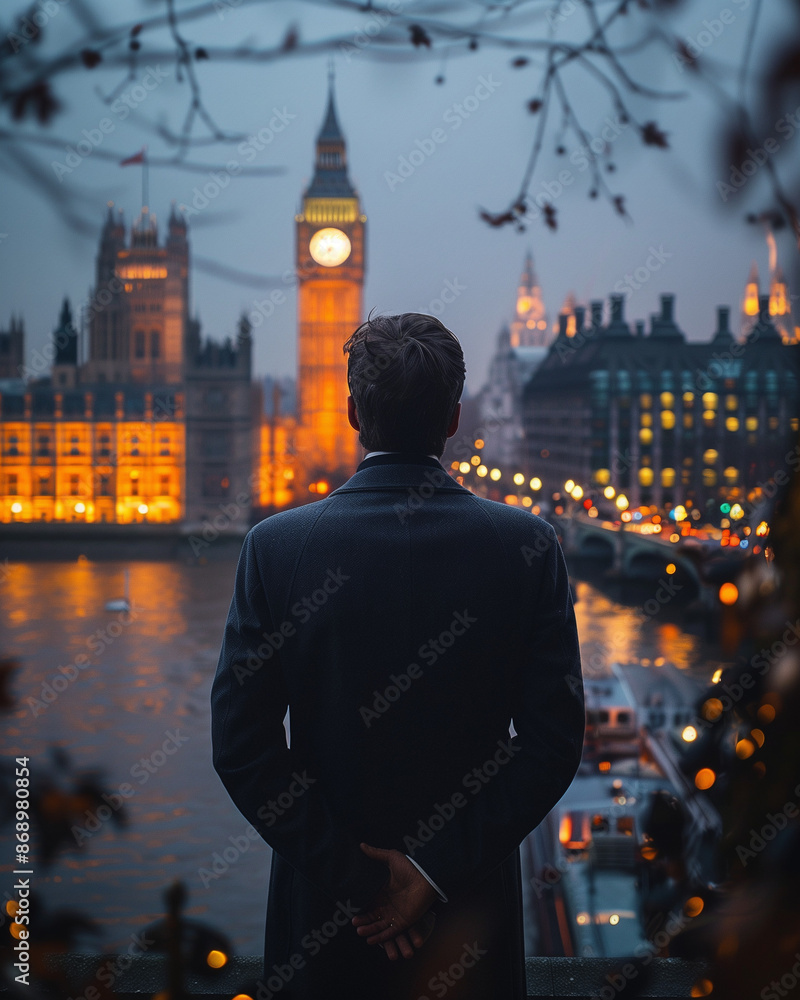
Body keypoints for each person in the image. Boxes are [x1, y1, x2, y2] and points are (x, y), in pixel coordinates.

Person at [211, 312, 584, 999]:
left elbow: (242, 748)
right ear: (454, 419)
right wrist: (430, 875)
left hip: (323, 930)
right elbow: (554, 745)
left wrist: (358, 884)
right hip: (468, 925)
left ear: (353, 412)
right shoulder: (530, 547)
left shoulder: (275, 548)